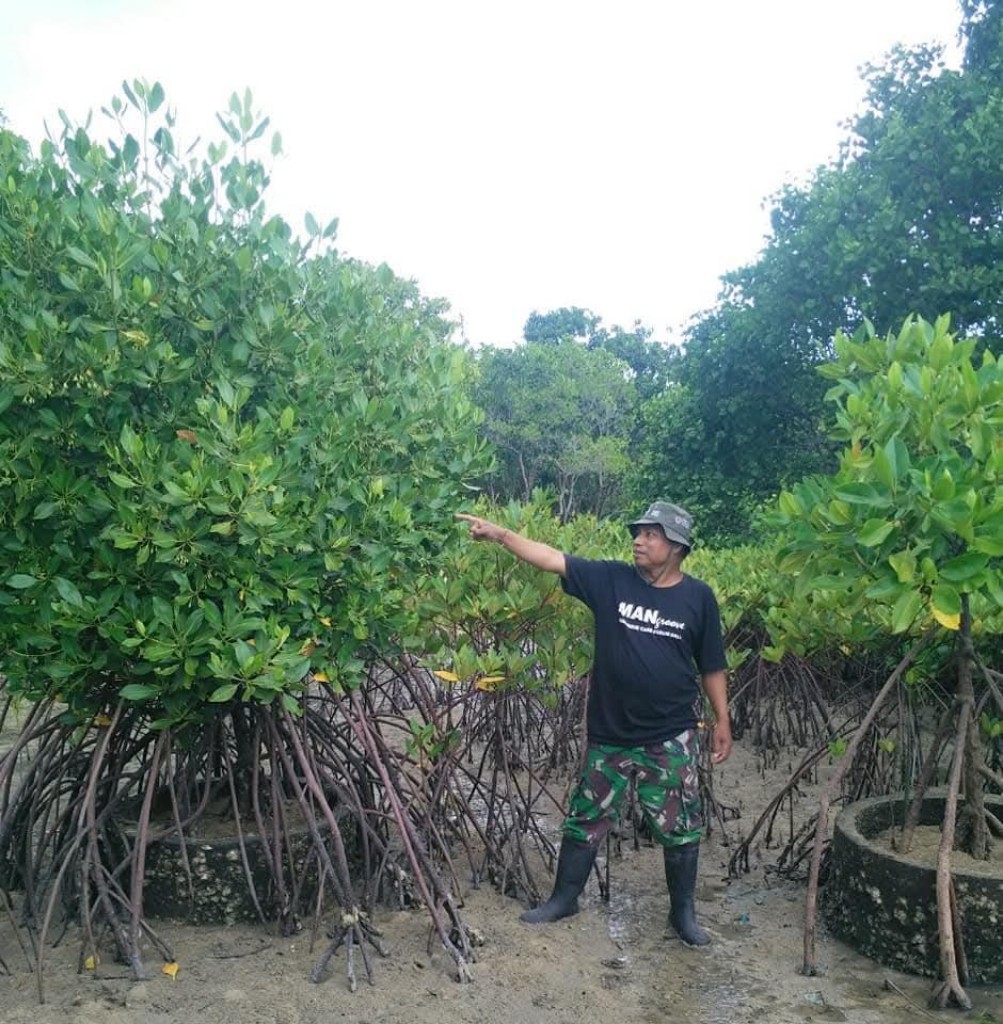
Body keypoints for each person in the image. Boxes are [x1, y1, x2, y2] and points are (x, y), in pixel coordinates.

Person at [456, 500, 731, 946]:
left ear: (677, 546)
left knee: (680, 827)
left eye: (651, 535)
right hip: (610, 733)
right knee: (585, 819)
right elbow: (551, 557)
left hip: (671, 734)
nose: (639, 541)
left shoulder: (698, 598)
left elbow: (712, 665)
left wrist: (723, 718)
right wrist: (501, 534)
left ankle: (683, 915)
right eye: (638, 533)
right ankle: (565, 899)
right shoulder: (611, 580)